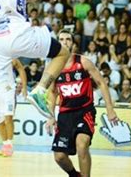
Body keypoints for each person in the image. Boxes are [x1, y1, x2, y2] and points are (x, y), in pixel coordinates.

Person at [46, 30, 118, 177]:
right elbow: (52, 93)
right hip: (65, 115)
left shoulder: (83, 62)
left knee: (82, 145)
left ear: (73, 43)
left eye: (68, 39)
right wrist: (51, 116)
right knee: (59, 156)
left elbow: (101, 83)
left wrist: (110, 109)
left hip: (84, 111)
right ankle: (74, 175)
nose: (64, 42)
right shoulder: (54, 67)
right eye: (61, 39)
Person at [0, 59, 27, 157]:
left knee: (8, 118)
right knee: (0, 121)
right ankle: (5, 145)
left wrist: (24, 87)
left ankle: (10, 146)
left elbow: (21, 69)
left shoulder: (11, 58)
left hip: (9, 90)